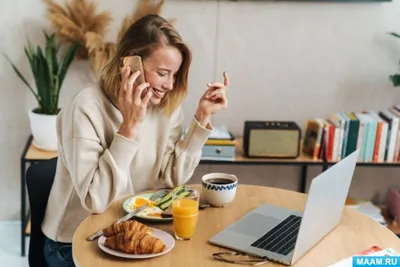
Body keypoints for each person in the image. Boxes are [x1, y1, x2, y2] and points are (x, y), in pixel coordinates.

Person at [40, 14, 229, 267]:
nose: (169, 85)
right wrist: (129, 127)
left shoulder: (166, 108)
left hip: (132, 233)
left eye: (175, 75)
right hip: (75, 242)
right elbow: (95, 201)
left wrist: (202, 116)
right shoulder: (86, 107)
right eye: (162, 73)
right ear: (129, 63)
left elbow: (173, 177)